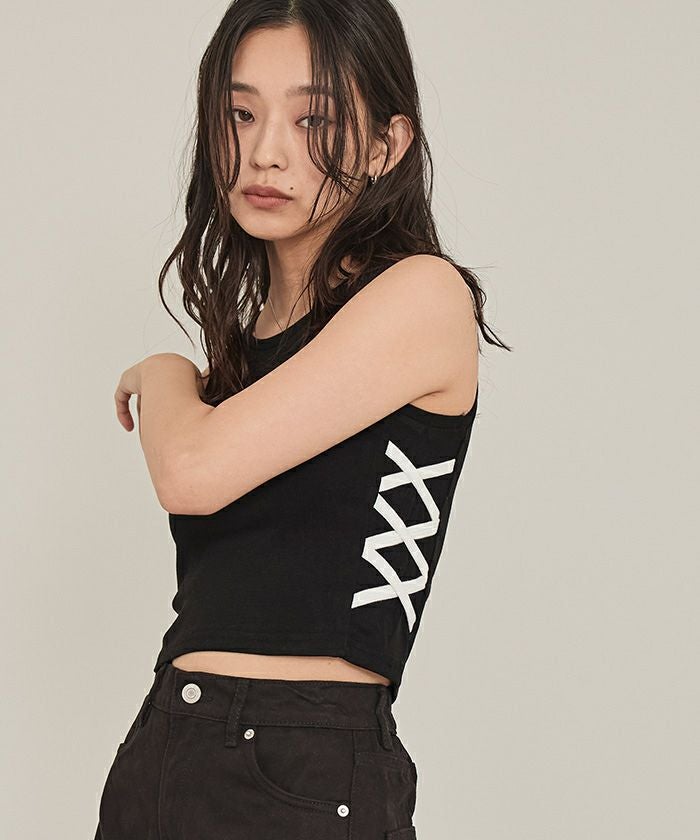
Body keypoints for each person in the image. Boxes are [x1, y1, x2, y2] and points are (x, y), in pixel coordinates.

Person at [96, 1, 510, 837]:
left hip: (299, 767)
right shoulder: (249, 349)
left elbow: (190, 472)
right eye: (241, 114)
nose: (266, 152)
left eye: (312, 119)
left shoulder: (423, 296)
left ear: (386, 146)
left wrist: (165, 372)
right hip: (166, 748)